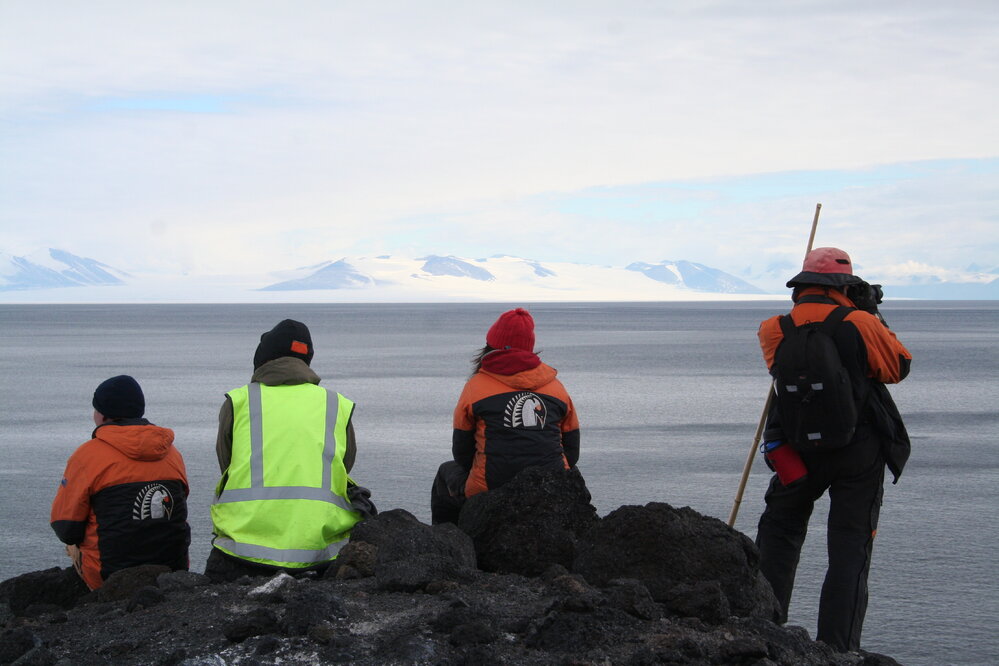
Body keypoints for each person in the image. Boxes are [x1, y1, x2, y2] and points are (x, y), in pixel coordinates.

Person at [755, 247, 912, 652]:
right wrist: (870, 311)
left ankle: (763, 632)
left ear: (801, 285)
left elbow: (779, 372)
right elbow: (897, 367)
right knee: (849, 548)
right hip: (857, 449)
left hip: (794, 448)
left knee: (778, 536)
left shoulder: (774, 328)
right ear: (845, 284)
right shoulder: (860, 322)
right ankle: (838, 650)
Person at [205, 319, 370, 581]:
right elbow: (344, 465)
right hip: (322, 552)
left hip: (242, 552)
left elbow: (227, 464)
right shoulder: (335, 404)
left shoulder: (240, 401)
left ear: (262, 358)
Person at [431, 308, 581, 524]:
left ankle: (449, 538)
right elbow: (572, 452)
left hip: (489, 489)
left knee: (445, 473)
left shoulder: (476, 387)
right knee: (568, 469)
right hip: (551, 488)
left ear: (490, 345)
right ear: (529, 347)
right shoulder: (556, 388)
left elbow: (461, 453)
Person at [50, 375, 190, 590]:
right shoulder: (172, 453)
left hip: (110, 578)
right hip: (171, 572)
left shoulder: (87, 456)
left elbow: (66, 528)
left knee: (73, 543)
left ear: (102, 414)